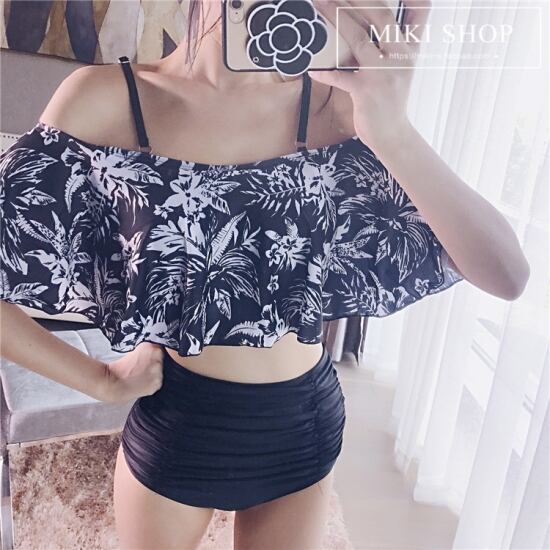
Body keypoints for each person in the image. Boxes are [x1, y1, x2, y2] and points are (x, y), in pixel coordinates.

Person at [0, 1, 530, 549]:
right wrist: (100, 380)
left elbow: (507, 274)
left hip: (305, 424)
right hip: (182, 427)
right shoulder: (107, 99)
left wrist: (393, 131)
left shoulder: (338, 105)